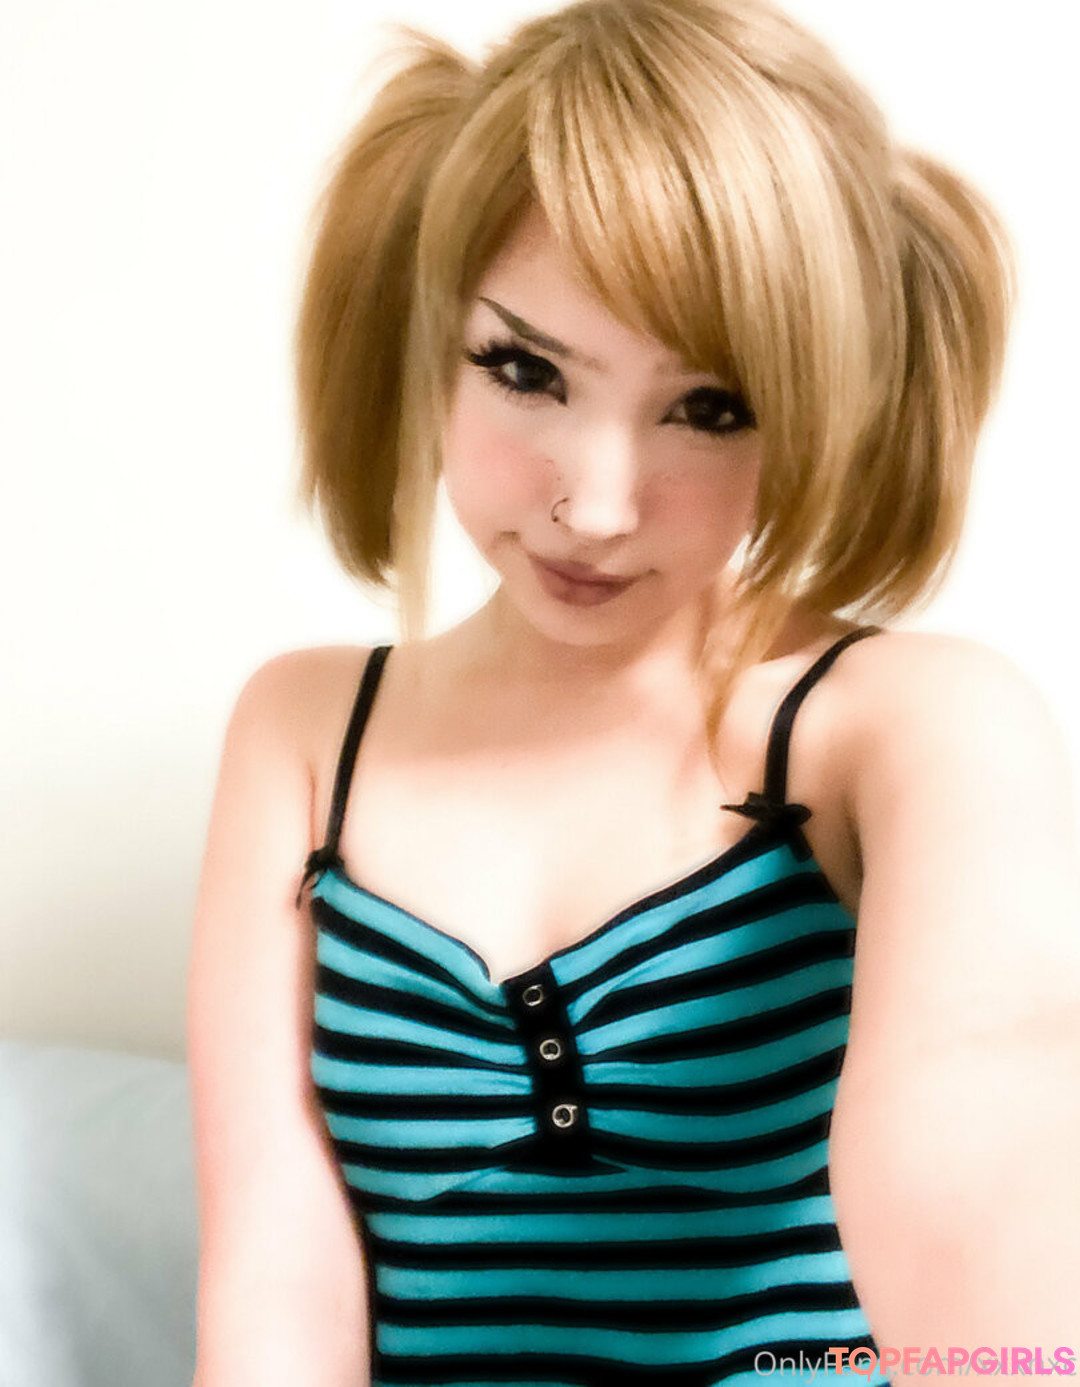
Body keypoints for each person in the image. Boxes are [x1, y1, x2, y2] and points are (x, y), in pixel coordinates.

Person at [186, 0, 1080, 1384]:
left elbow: (982, 1237)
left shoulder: (910, 728)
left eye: (712, 408)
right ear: (426, 343)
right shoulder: (306, 736)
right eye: (525, 370)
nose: (598, 507)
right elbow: (275, 1268)